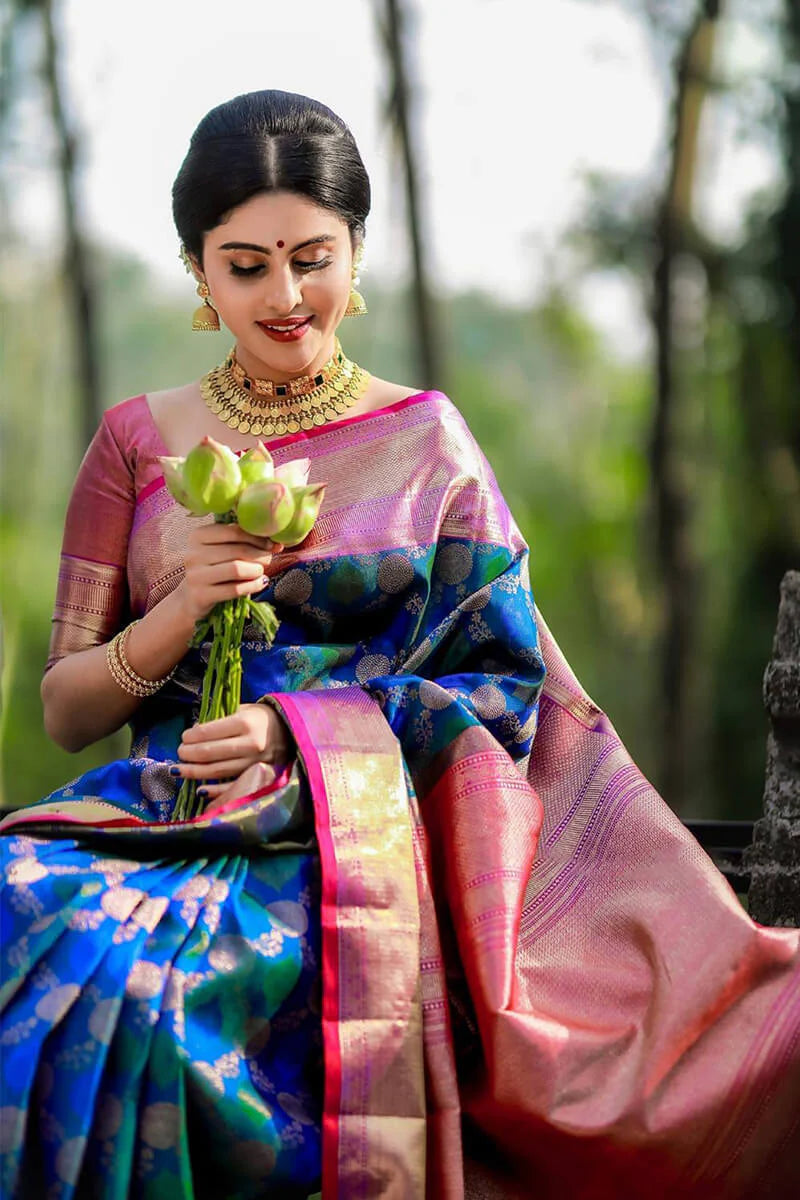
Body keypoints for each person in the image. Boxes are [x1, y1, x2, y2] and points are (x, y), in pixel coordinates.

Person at [0, 90, 797, 1200]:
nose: (285, 298)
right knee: (23, 914)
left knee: (156, 994)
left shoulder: (427, 441)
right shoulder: (138, 443)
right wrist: (181, 613)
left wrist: (294, 734)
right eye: (246, 266)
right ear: (196, 270)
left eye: (312, 259)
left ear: (356, 249)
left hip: (348, 840)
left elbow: (503, 686)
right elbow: (65, 710)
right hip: (157, 814)